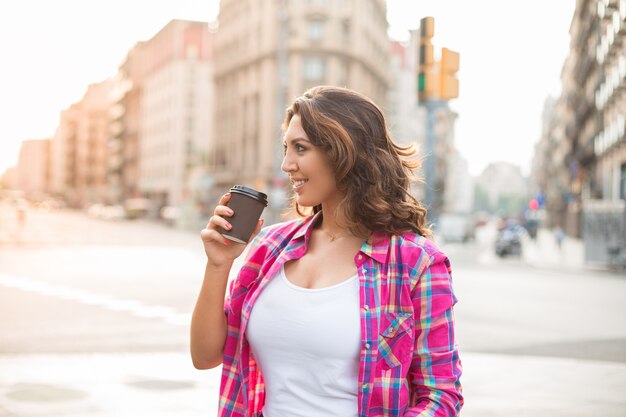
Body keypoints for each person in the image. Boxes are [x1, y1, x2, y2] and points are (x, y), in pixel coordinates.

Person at [191, 86, 463, 417]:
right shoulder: (270, 247)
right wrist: (218, 266)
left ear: (343, 153)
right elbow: (205, 356)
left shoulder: (417, 263)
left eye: (300, 149)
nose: (286, 164)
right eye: (286, 148)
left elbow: (440, 397)